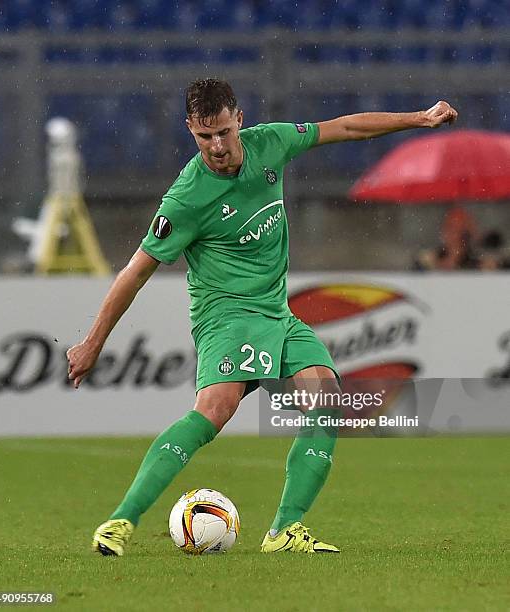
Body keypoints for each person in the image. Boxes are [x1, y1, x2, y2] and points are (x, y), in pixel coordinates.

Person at [66, 79, 458, 555]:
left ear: (240, 121)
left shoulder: (270, 142)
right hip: (226, 317)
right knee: (215, 410)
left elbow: (347, 126)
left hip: (276, 312)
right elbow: (133, 273)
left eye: (224, 133)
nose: (216, 146)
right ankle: (120, 522)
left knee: (327, 400)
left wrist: (418, 118)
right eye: (204, 137)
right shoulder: (186, 198)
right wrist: (93, 342)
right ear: (190, 130)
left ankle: (283, 532)